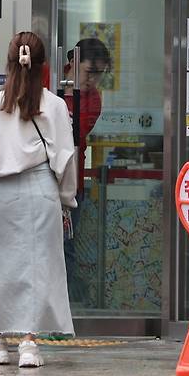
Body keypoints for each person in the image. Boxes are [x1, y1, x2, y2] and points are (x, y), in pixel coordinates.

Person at [0, 31, 76, 368]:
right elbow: (65, 157)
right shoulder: (55, 105)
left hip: (3, 193)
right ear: (44, 65)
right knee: (39, 267)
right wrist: (66, 199)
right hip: (42, 190)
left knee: (1, 267)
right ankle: (30, 343)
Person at [62, 38, 111, 300]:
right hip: (42, 181)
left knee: (66, 245)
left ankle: (62, 307)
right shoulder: (51, 83)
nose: (94, 80)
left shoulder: (93, 100)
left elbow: (75, 134)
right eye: (89, 72)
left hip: (72, 183)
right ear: (73, 62)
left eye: (99, 75)